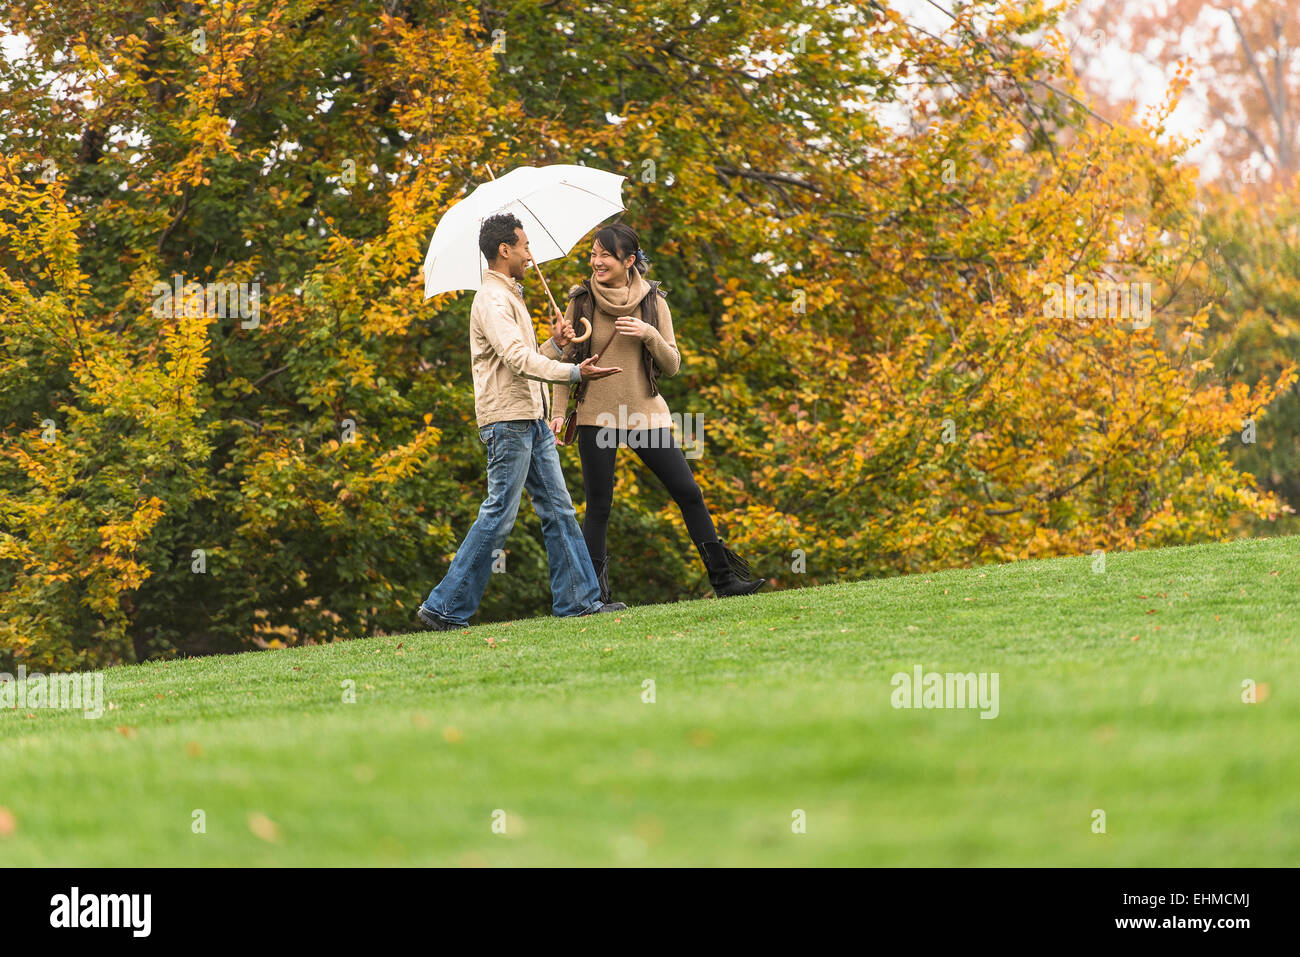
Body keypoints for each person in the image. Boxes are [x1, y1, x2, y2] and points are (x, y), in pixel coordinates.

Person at [416, 212, 628, 631]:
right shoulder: (491, 299)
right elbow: (517, 360)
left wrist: (555, 344)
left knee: (559, 509)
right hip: (508, 423)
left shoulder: (511, 295)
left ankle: (578, 602)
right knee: (499, 515)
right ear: (504, 249)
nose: (531, 255)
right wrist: (573, 372)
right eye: (526, 246)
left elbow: (525, 360)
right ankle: (443, 609)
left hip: (530, 418)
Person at [549, 222, 766, 603]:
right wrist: (558, 411)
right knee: (599, 505)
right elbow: (566, 363)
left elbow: (672, 365)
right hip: (596, 417)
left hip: (644, 416)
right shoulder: (579, 301)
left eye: (605, 255)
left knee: (688, 492)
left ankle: (725, 581)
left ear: (629, 260)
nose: (596, 262)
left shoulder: (654, 302)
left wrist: (648, 334)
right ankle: (592, 598)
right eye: (593, 254)